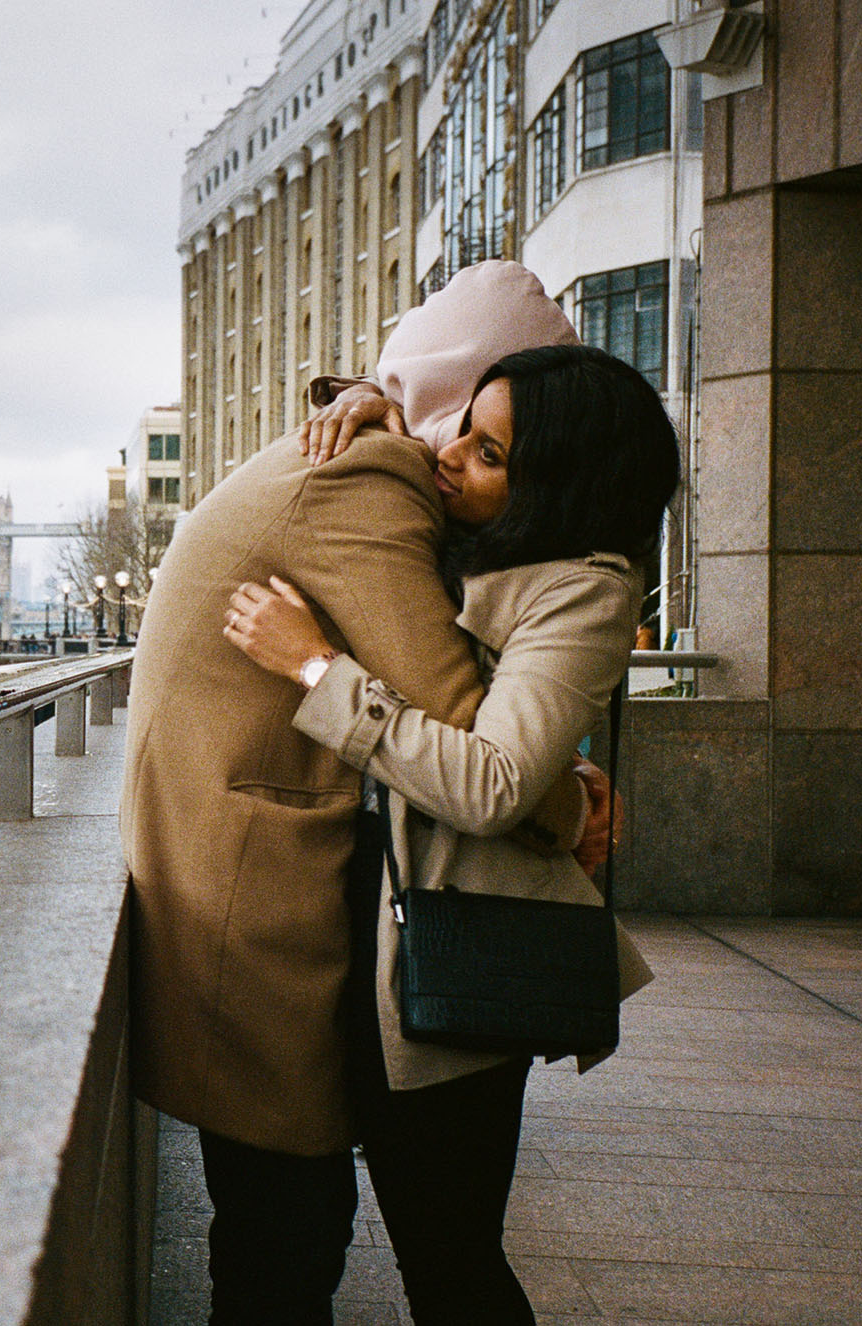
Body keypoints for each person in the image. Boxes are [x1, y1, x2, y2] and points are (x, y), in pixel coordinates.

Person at [120, 260, 601, 1324]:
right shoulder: (366, 477)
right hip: (252, 892)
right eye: (479, 421)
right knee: (284, 1229)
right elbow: (464, 724)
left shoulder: (358, 447)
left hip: (249, 869)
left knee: (286, 1223)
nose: (472, 452)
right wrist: (567, 801)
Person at [220, 343, 678, 1323]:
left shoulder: (582, 589)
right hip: (353, 924)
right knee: (323, 1238)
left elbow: (493, 782)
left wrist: (312, 670)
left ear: (556, 481)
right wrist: (370, 401)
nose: (449, 455)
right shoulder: (470, 534)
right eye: (462, 425)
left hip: (455, 953)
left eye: (487, 451)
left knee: (449, 1261)